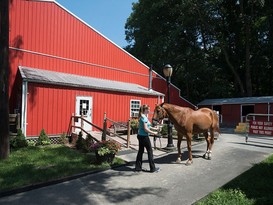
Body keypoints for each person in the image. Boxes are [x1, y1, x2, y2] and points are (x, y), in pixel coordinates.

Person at [135, 104, 160, 173]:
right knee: (150, 152)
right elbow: (146, 129)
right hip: (144, 137)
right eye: (148, 109)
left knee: (140, 151)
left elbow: (147, 126)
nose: (149, 110)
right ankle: (153, 168)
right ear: (144, 110)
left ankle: (138, 167)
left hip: (140, 136)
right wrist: (153, 133)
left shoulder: (142, 116)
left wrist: (154, 128)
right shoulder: (144, 118)